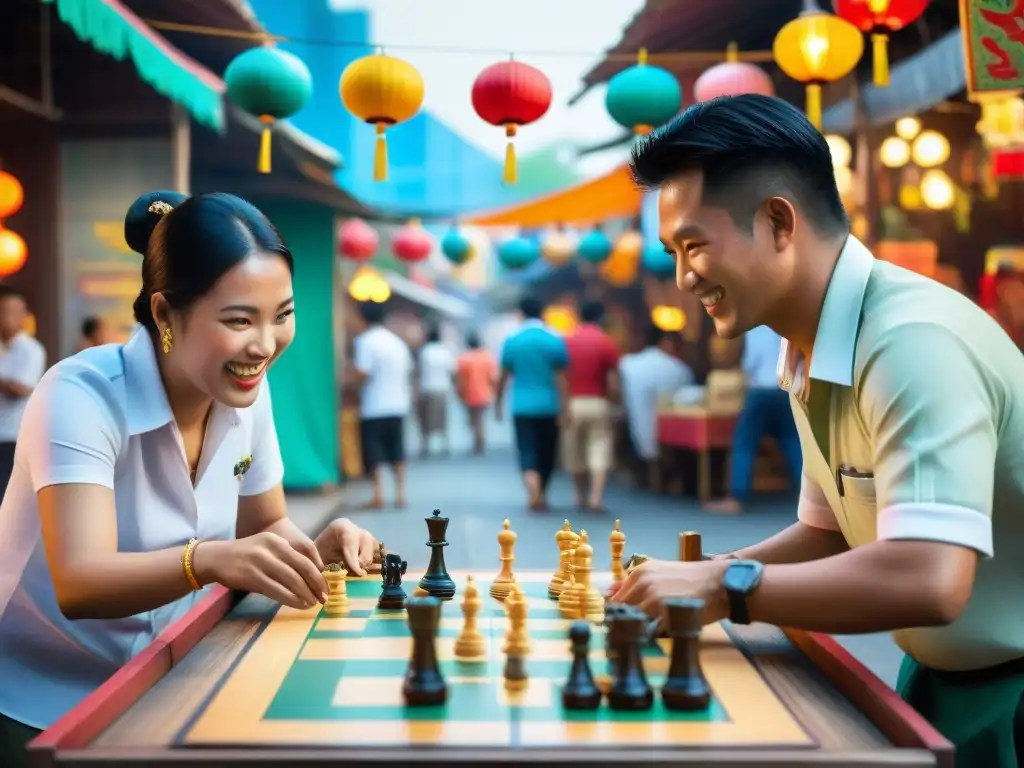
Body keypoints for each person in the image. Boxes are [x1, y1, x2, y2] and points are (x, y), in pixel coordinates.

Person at [609, 94, 1024, 766]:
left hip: (1012, 700)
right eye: (673, 253)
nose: (684, 278)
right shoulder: (811, 341)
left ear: (778, 221)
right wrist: (708, 575)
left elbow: (929, 578)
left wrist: (723, 587)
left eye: (694, 247)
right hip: (940, 685)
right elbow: (828, 531)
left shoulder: (909, 341)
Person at [0, 191, 381, 766]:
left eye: (283, 315)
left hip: (170, 676)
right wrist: (208, 559)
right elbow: (80, 582)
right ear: (162, 314)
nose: (264, 345)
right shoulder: (79, 394)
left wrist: (313, 550)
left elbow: (265, 522)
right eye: (238, 320)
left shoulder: (248, 392)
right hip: (38, 705)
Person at [705, 324, 801, 513]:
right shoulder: (782, 324)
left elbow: (750, 362)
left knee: (744, 443)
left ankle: (736, 497)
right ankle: (806, 494)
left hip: (760, 389)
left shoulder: (755, 328)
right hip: (785, 389)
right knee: (792, 441)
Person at [495, 296, 569, 511]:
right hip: (549, 405)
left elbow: (503, 376)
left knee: (527, 449)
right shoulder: (554, 339)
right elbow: (562, 378)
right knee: (547, 451)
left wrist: (498, 403)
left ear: (521, 313)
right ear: (542, 313)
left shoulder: (513, 340)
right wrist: (566, 407)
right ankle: (542, 492)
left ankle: (533, 490)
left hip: (522, 406)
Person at [351, 300, 414, 509]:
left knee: (374, 451)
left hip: (374, 406)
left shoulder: (366, 341)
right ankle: (401, 492)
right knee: (397, 448)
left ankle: (378, 495)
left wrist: (354, 388)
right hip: (398, 404)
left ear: (363, 318)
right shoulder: (397, 342)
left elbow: (362, 373)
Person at [562, 300, 620, 511]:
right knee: (600, 449)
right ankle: (596, 498)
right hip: (598, 402)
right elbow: (613, 381)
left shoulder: (567, 341)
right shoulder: (606, 342)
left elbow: (561, 377)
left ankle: (579, 496)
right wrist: (615, 403)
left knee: (574, 450)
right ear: (600, 317)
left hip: (572, 403)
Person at [618, 324, 694, 488]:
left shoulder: (627, 364)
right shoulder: (679, 369)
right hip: (668, 435)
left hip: (632, 430)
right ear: (667, 342)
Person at [0, 285, 46, 495]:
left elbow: (21, 388)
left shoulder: (30, 349)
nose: (12, 319)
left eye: (17, 313)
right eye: (6, 312)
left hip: (12, 439)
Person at [415, 327, 455, 457]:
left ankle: (425, 445)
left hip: (426, 389)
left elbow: (418, 372)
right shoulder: (445, 351)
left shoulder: (424, 351)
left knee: (425, 420)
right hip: (442, 389)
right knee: (442, 419)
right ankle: (445, 443)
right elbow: (452, 371)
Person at [455, 332, 497, 455]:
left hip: (469, 394)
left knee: (473, 420)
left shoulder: (464, 358)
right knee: (480, 419)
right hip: (485, 394)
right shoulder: (487, 357)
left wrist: (459, 394)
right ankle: (479, 441)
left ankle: (477, 441)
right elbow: (493, 378)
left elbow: (460, 379)